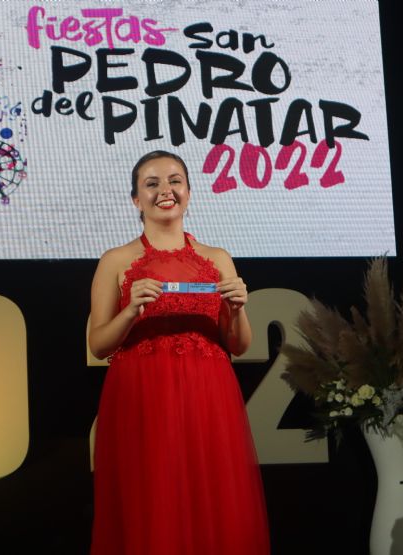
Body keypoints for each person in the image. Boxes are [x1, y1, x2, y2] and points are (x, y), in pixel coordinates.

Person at [88, 150, 270, 555]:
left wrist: (237, 308)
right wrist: (131, 311)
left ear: (189, 191)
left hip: (209, 396)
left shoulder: (217, 258)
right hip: (142, 396)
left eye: (174, 181)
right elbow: (98, 345)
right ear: (136, 199)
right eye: (151, 184)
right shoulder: (116, 261)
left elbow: (239, 344)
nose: (165, 191)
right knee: (152, 498)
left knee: (212, 497)